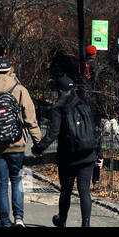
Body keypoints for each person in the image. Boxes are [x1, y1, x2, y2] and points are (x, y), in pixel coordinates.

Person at [0, 56, 42, 227]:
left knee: (2, 185)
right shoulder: (19, 89)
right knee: (17, 180)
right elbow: (30, 119)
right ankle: (19, 218)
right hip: (17, 143)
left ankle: (5, 221)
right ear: (10, 70)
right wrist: (38, 142)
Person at [33, 72, 103, 227]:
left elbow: (53, 133)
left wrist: (38, 148)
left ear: (59, 91)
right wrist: (99, 153)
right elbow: (94, 131)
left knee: (66, 191)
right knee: (85, 192)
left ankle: (62, 221)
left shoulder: (59, 108)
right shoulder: (84, 105)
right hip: (88, 155)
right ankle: (85, 224)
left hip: (68, 158)